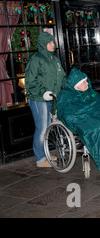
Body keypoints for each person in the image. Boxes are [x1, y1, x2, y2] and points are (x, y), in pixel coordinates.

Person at [25, 32, 66, 168]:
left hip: (53, 97)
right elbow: (30, 81)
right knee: (42, 128)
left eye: (53, 42)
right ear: (43, 43)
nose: (53, 45)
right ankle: (40, 159)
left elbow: (62, 77)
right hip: (38, 98)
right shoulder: (36, 59)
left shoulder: (55, 60)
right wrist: (43, 92)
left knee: (48, 127)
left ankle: (45, 153)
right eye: (49, 42)